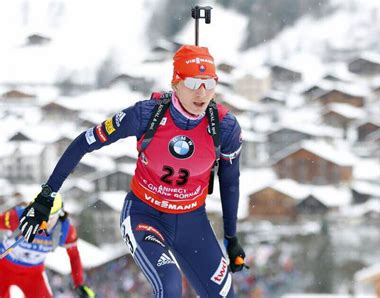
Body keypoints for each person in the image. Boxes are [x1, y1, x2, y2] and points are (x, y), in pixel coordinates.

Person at [18, 45, 246, 297]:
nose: (202, 92)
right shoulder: (146, 115)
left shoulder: (225, 127)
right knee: (169, 285)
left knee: (224, 295)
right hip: (145, 216)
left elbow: (230, 180)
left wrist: (231, 237)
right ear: (175, 83)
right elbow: (85, 141)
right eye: (192, 82)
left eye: (209, 82)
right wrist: (46, 195)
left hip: (192, 221)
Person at [0, 193, 94, 298]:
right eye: (40, 216)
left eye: (50, 217)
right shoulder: (18, 217)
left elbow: (74, 255)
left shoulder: (65, 230)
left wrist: (79, 283)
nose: (44, 222)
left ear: (59, 214)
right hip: (3, 267)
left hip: (33, 273)